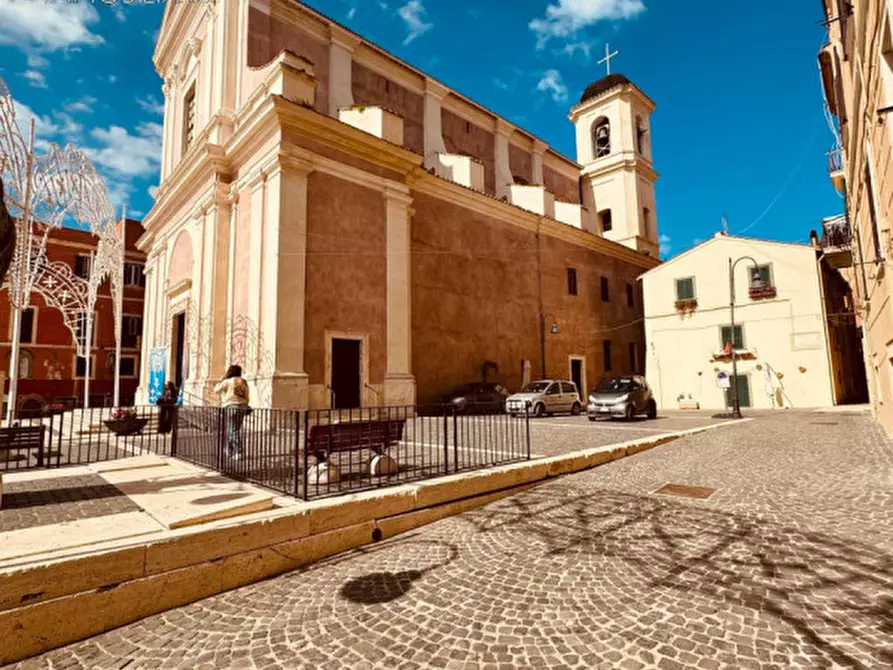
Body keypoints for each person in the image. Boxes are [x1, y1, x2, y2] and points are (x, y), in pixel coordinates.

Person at [214, 365, 250, 459]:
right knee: (234, 429)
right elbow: (247, 394)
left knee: (232, 430)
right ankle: (229, 450)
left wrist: (221, 380)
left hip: (231, 406)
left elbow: (216, 390)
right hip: (242, 406)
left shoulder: (228, 381)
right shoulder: (243, 381)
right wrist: (246, 405)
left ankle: (239, 451)